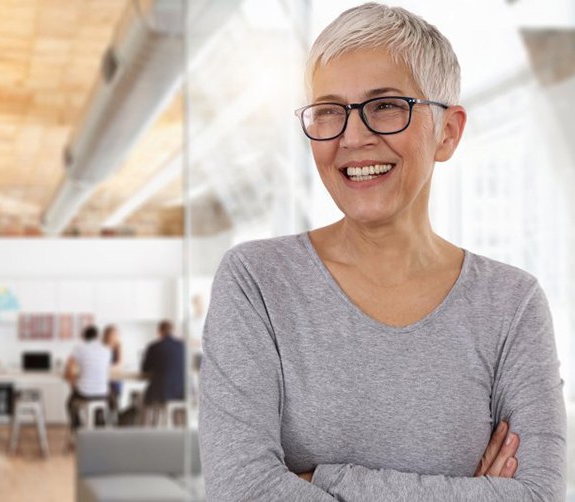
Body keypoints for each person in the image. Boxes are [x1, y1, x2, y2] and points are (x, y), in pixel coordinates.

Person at [198, 3, 566, 501]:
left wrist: (326, 479)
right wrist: (468, 494)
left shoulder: (512, 304)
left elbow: (540, 495)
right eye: (329, 111)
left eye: (386, 106)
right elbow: (241, 490)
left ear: (448, 132)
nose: (352, 138)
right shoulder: (257, 282)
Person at [64, 325, 111, 430]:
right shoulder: (106, 350)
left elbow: (69, 368)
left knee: (69, 404)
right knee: (100, 404)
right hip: (102, 393)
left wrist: (72, 383)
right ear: (97, 337)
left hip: (85, 393)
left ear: (83, 337)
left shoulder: (79, 348)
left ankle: (78, 430)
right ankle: (99, 428)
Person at [141, 320, 185, 422]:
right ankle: (178, 425)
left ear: (159, 332)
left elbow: (144, 369)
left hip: (161, 391)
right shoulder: (183, 346)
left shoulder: (154, 347)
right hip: (182, 392)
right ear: (173, 331)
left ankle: (146, 430)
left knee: (144, 400)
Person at [102, 324, 122, 410]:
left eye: (115, 334)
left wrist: (106, 368)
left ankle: (113, 418)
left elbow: (119, 364)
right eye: (111, 334)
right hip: (103, 379)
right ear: (106, 335)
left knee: (114, 399)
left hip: (114, 380)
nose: (113, 337)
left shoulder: (118, 347)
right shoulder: (101, 347)